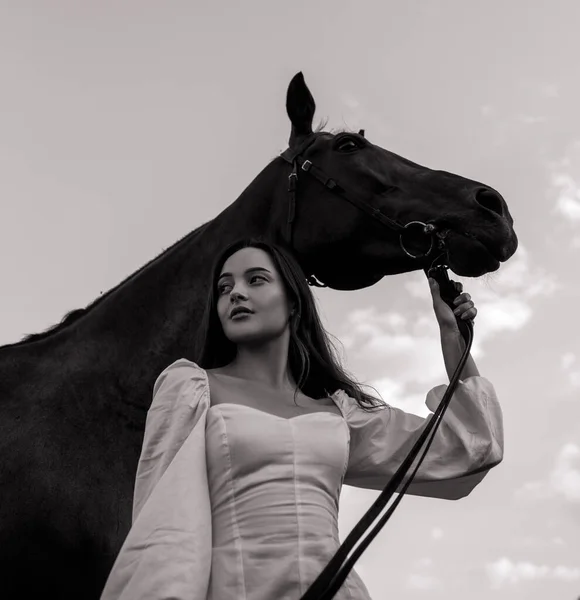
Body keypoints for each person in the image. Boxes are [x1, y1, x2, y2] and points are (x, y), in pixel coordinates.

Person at [100, 237, 503, 600]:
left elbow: (467, 448)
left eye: (255, 280)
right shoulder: (191, 388)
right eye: (224, 288)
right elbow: (165, 526)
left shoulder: (339, 413)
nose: (236, 293)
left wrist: (453, 338)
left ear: (293, 301)